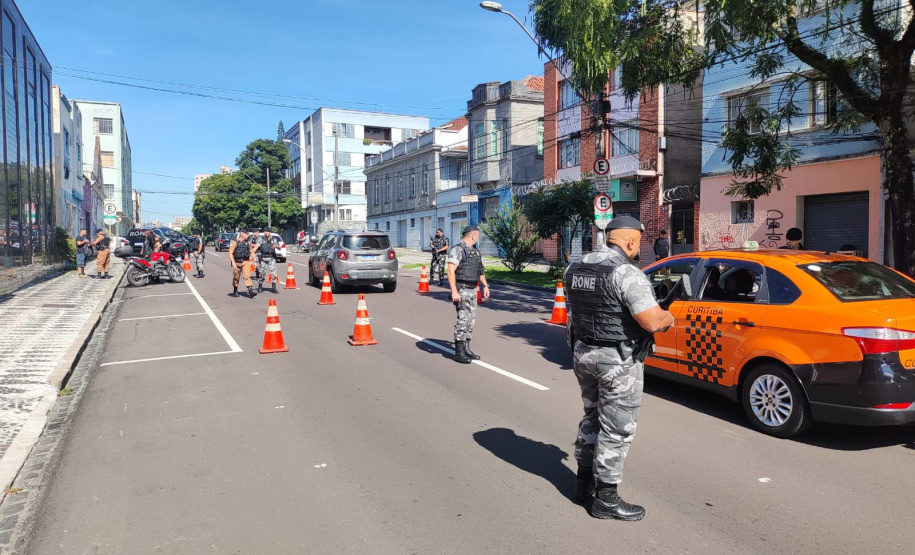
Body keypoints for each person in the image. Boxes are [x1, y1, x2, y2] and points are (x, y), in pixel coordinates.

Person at [564, 216, 675, 521]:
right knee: (617, 428)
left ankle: (583, 484)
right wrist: (668, 317)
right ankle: (606, 499)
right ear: (630, 241)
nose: (638, 248)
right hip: (617, 361)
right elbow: (652, 321)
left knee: (591, 417)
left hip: (583, 352)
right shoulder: (626, 272)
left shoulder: (575, 267)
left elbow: (575, 311)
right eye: (638, 242)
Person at [446, 225, 490, 364]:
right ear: (473, 235)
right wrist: (454, 291)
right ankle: (459, 353)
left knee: (471, 321)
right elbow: (450, 271)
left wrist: (485, 285)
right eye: (478, 236)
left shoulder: (475, 251)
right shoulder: (458, 250)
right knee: (463, 320)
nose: (478, 238)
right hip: (462, 290)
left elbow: (480, 271)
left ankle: (466, 348)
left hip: (473, 290)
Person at [228, 229, 257, 298]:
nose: (248, 235)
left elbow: (251, 252)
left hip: (245, 261)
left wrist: (255, 261)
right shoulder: (235, 242)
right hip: (237, 262)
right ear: (242, 234)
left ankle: (250, 291)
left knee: (247, 276)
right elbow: (230, 253)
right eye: (247, 234)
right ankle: (235, 290)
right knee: (236, 277)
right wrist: (233, 262)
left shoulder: (248, 243)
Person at [256, 228, 280, 293]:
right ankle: (260, 287)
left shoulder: (273, 239)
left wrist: (276, 246)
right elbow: (257, 246)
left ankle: (274, 288)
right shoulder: (261, 239)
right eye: (265, 231)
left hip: (271, 258)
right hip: (263, 258)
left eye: (267, 231)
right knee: (262, 273)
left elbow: (279, 247)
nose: (266, 232)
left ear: (269, 232)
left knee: (273, 273)